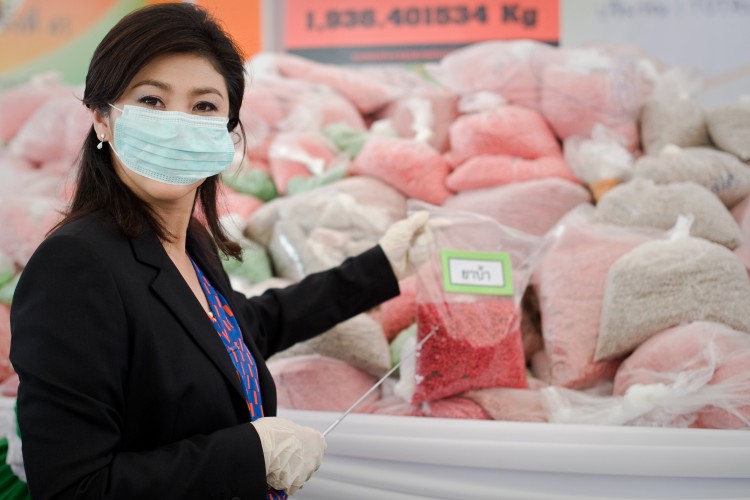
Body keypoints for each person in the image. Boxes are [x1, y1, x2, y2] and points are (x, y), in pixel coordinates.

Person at [9, 3, 430, 499]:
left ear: (227, 131)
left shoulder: (190, 244)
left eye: (204, 106)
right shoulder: (74, 267)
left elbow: (240, 330)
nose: (178, 124)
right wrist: (251, 454)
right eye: (151, 101)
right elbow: (72, 489)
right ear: (102, 118)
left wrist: (381, 266)